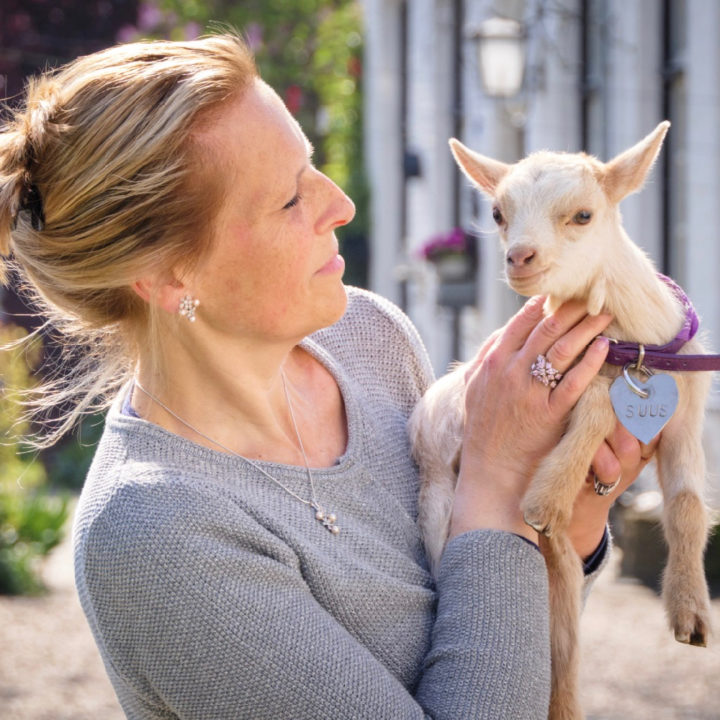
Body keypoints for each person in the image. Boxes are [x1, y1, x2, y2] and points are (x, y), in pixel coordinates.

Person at [0, 33, 653, 719]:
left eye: (309, 163)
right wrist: (497, 478)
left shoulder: (371, 339)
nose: (339, 203)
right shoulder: (157, 537)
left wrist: (566, 535)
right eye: (288, 200)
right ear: (168, 275)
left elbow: (491, 636)